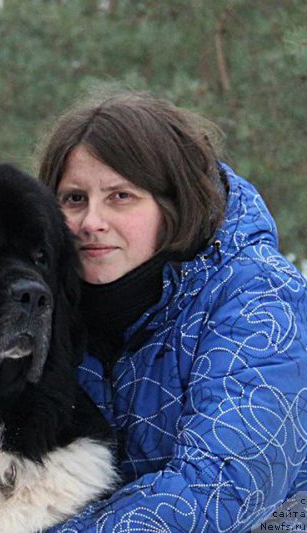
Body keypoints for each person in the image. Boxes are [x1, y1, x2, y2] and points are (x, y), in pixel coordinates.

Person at [37, 92, 307, 532]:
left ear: (174, 204)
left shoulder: (257, 295)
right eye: (73, 199)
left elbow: (224, 484)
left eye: (120, 196)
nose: (91, 221)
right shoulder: (42, 303)